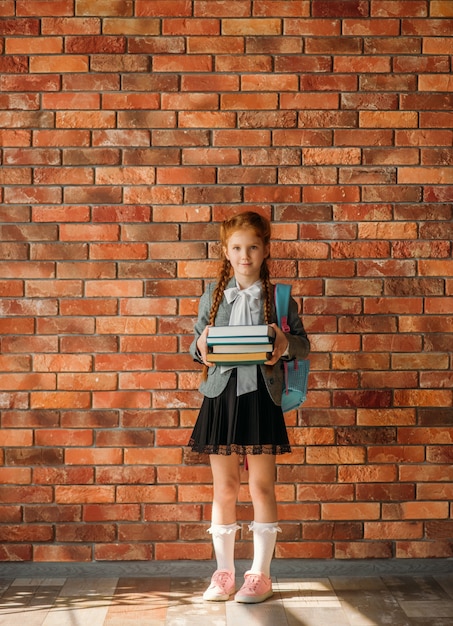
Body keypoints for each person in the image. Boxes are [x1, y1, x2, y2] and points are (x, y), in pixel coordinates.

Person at [188, 211, 310, 604]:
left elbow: (304, 346)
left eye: (253, 247)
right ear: (226, 252)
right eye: (237, 248)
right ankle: (223, 575)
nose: (245, 255)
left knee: (261, 487)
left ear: (265, 250)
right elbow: (194, 345)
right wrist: (200, 346)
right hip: (221, 397)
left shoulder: (279, 298)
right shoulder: (212, 294)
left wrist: (282, 342)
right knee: (224, 487)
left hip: (261, 396)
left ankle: (260, 575)